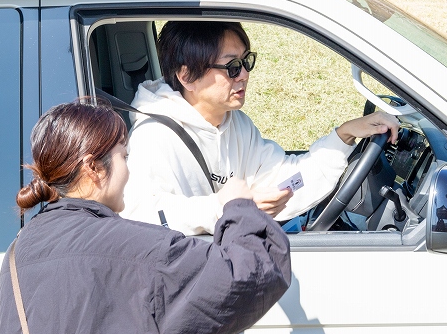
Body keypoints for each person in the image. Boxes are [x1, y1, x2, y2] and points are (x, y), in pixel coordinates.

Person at [0, 99, 291, 334]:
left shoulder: (20, 248)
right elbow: (250, 275)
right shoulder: (130, 249)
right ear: (93, 167)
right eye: (124, 156)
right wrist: (238, 207)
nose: (129, 171)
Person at [122, 21, 399, 236]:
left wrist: (344, 135)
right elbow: (141, 219)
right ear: (187, 76)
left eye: (246, 61)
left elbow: (285, 180)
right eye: (232, 67)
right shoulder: (154, 137)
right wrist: (224, 208)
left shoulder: (236, 123)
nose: (244, 74)